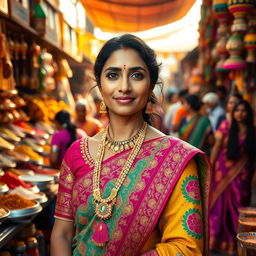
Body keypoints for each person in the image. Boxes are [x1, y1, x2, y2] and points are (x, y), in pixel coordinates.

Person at [51, 34, 211, 256]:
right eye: (113, 75)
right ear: (99, 83)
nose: (124, 86)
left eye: (136, 75)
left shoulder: (175, 159)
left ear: (151, 84)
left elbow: (187, 248)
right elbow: (62, 234)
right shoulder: (77, 153)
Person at [210, 100, 256, 255]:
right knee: (219, 206)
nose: (240, 113)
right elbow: (216, 148)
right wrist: (209, 167)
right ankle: (215, 240)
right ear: (233, 112)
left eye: (244, 110)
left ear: (248, 113)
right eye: (237, 110)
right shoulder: (225, 126)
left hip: (244, 175)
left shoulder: (253, 131)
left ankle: (236, 244)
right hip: (222, 172)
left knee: (239, 206)